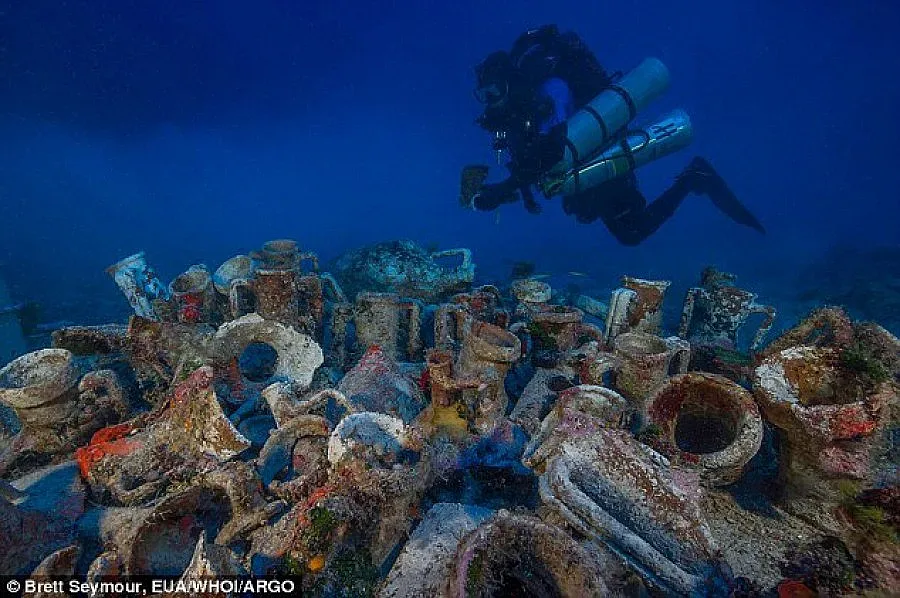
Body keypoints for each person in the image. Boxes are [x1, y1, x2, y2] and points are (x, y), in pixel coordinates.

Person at [470, 25, 765, 245]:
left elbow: (552, 150)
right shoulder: (516, 115)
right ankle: (694, 177)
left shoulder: (550, 91)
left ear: (510, 84)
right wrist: (513, 191)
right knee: (612, 223)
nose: (490, 102)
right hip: (580, 163)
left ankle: (695, 176)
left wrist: (503, 189)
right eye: (483, 95)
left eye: (493, 92)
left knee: (633, 230)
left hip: (597, 148)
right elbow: (531, 158)